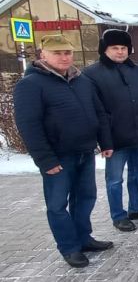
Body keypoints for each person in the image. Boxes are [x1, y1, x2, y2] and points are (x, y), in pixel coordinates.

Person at [14, 34, 114, 268]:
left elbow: (99, 113)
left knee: (85, 198)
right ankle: (69, 248)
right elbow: (29, 125)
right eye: (57, 53)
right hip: (57, 157)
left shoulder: (82, 81)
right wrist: (45, 160)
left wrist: (105, 142)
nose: (63, 57)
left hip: (84, 152)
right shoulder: (30, 85)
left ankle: (83, 238)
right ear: (43, 55)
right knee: (58, 205)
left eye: (67, 52)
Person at [84, 29, 138, 232]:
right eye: (115, 48)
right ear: (105, 50)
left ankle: (136, 208)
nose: (120, 52)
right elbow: (95, 110)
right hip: (114, 137)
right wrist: (103, 141)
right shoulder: (92, 74)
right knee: (115, 179)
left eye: (123, 48)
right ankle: (118, 215)